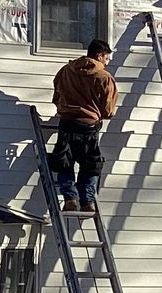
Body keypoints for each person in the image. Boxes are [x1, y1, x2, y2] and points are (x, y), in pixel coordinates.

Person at [50, 39, 117, 214]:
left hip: (67, 122)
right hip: (88, 126)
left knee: (64, 161)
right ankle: (87, 201)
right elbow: (108, 110)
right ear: (99, 55)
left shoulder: (66, 71)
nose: (107, 61)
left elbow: (57, 92)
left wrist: (62, 107)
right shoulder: (104, 77)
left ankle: (70, 199)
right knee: (90, 165)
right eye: (107, 58)